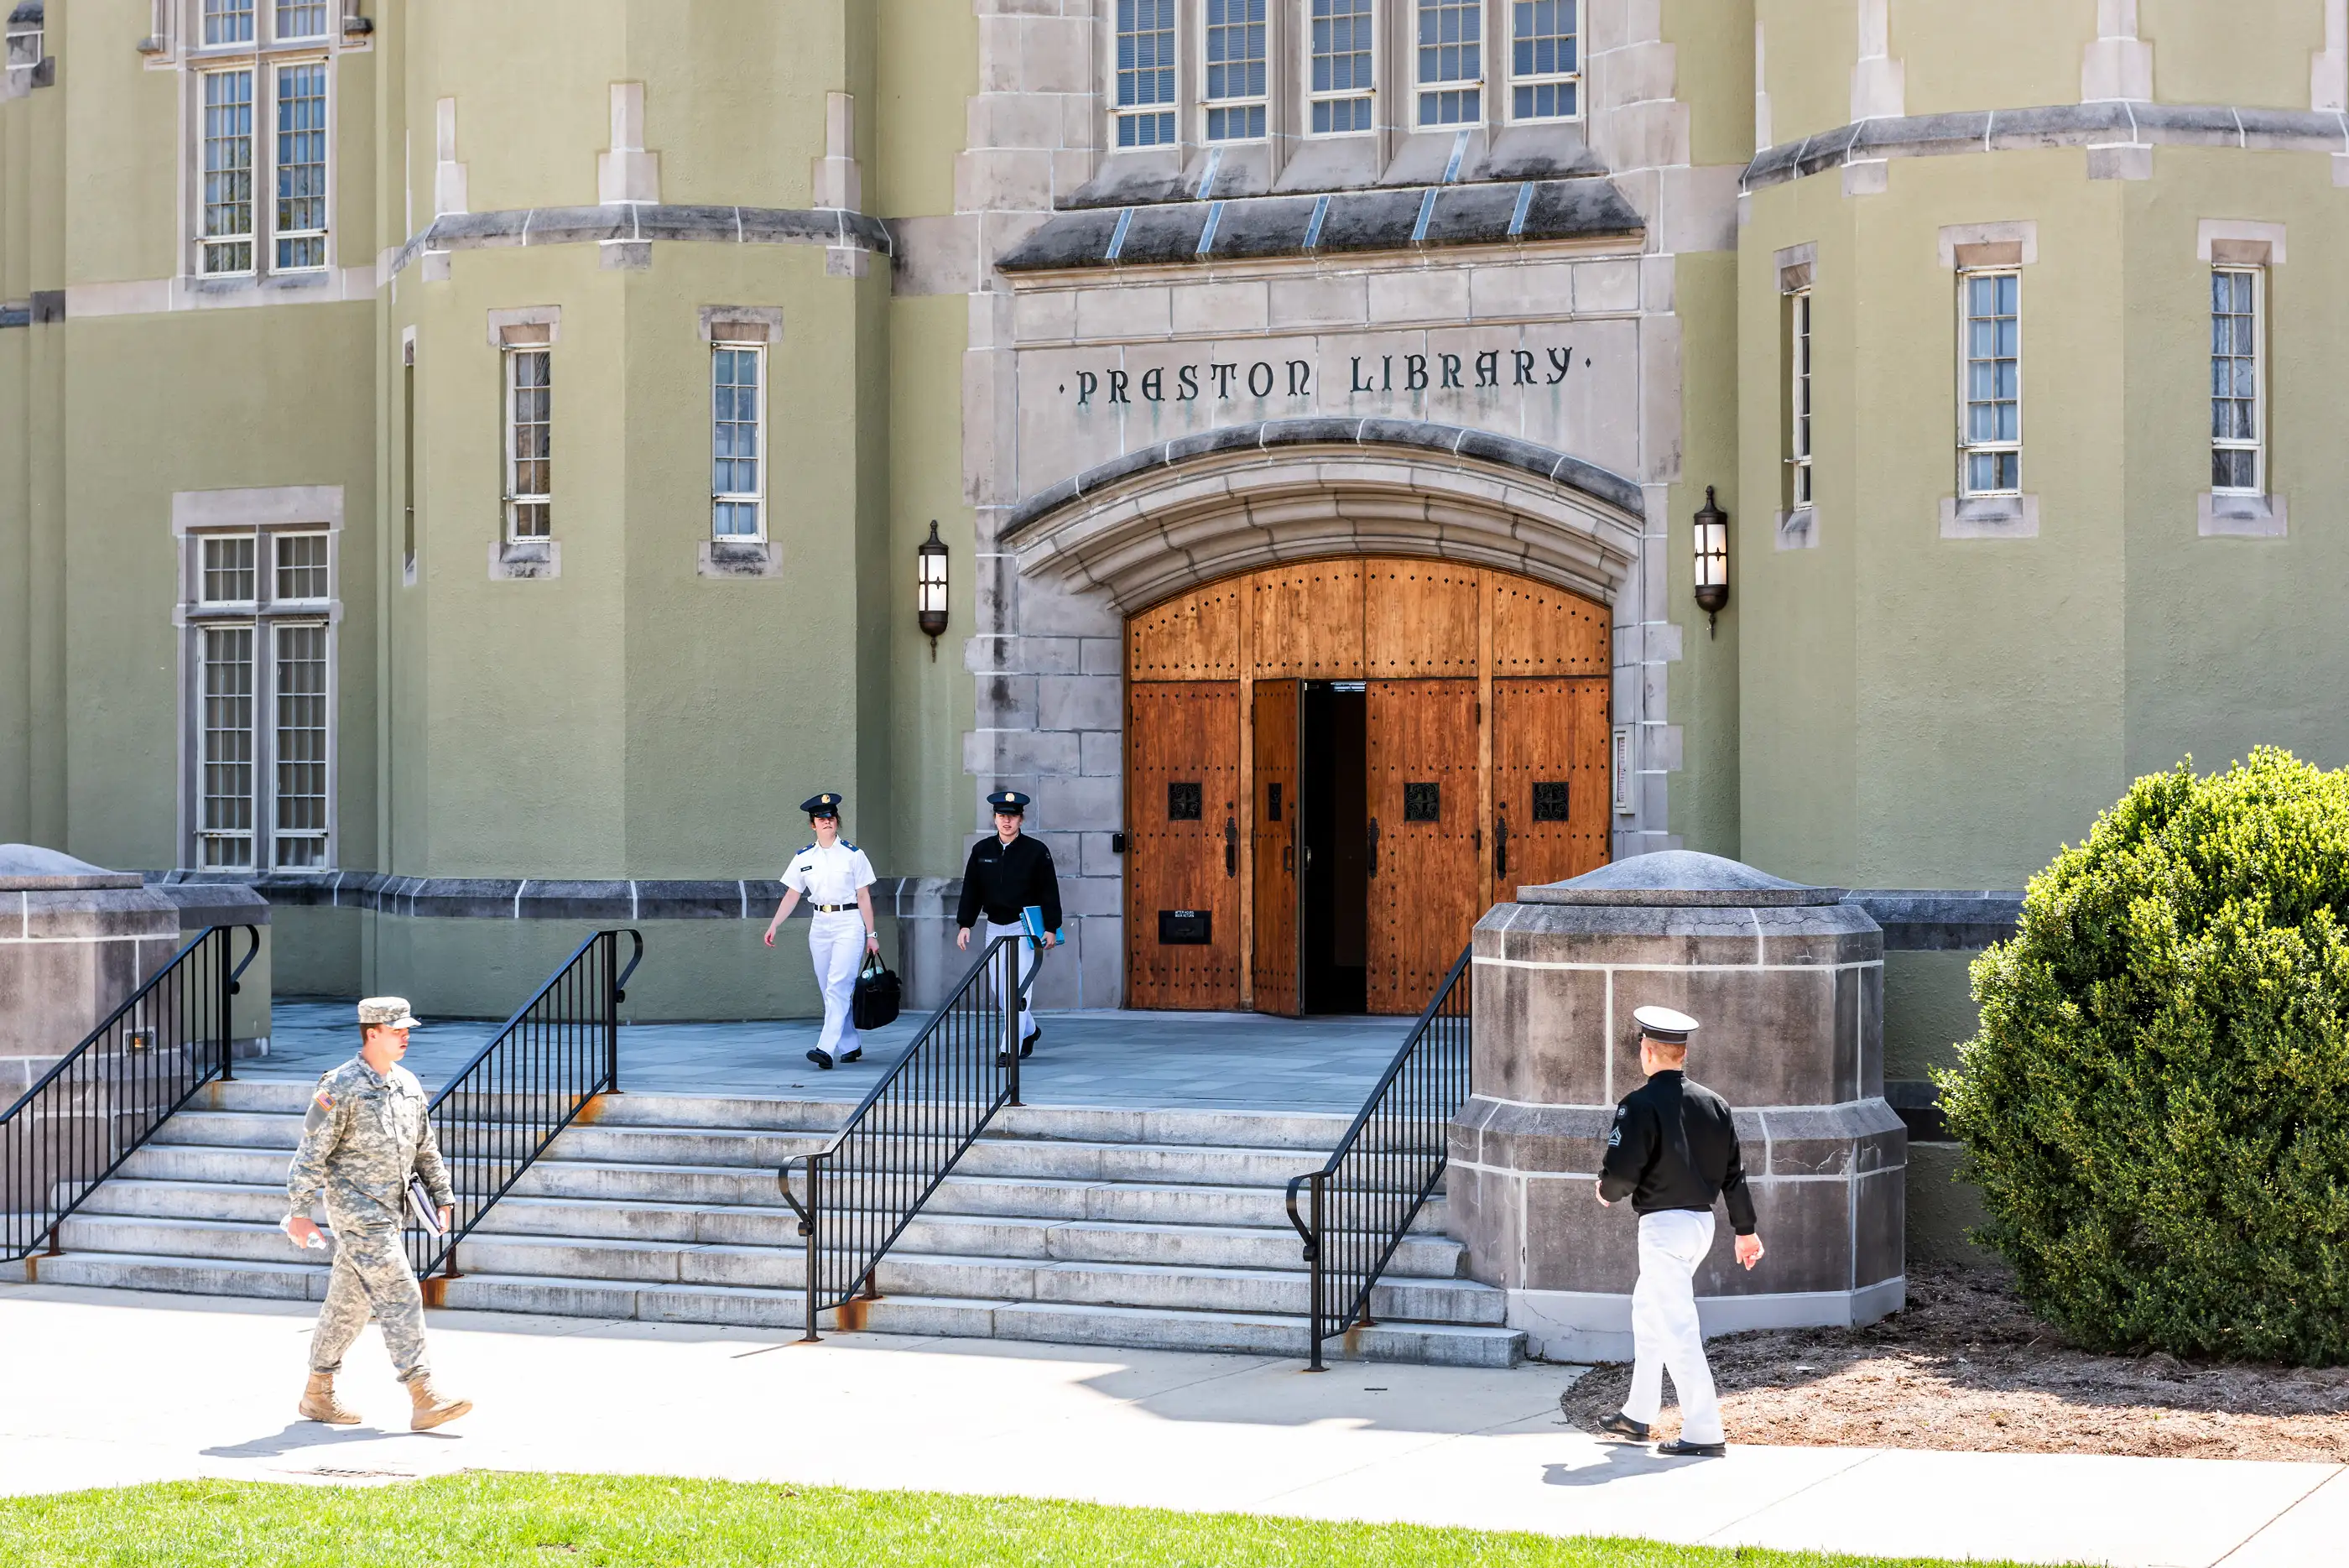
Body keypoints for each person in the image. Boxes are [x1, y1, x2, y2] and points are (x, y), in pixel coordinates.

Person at [285, 997, 471, 1431]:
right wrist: (299, 1210)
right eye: (397, 1030)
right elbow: (311, 1151)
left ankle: (317, 1392)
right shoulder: (340, 1085)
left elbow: (425, 1147)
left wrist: (443, 1197)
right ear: (372, 1033)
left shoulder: (407, 1084)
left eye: (407, 1029)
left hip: (392, 1211)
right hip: (356, 1212)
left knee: (348, 1305)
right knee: (401, 1290)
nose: (406, 1036)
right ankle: (423, 1393)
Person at [1591, 1004, 1763, 1458]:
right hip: (1700, 1226)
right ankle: (1638, 1413)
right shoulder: (1715, 1104)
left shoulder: (1638, 1104)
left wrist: (1607, 1191)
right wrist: (1745, 1230)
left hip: (1664, 1228)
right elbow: (1735, 1174)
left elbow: (1623, 1170)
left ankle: (1705, 1429)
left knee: (1675, 1325)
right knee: (1649, 1312)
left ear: (1648, 1052)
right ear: (1681, 1054)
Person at [765, 792, 881, 1071]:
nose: (827, 821)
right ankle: (850, 1042)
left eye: (831, 817)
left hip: (849, 922)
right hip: (820, 924)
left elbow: (863, 896)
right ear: (812, 824)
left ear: (836, 821)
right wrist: (774, 924)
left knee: (838, 985)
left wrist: (871, 934)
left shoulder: (854, 855)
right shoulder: (804, 857)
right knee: (827, 988)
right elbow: (792, 895)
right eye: (821, 818)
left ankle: (825, 1048)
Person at [955, 789, 1061, 1062]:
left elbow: (1049, 891)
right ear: (994, 819)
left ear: (1021, 820)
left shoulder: (1036, 851)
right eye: (1002, 816)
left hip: (1024, 928)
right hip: (995, 927)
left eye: (1012, 817)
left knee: (1019, 989)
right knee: (1000, 992)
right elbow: (972, 890)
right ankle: (1030, 1030)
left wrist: (1051, 926)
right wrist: (965, 924)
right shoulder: (982, 851)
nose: (1007, 821)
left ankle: (1008, 1047)